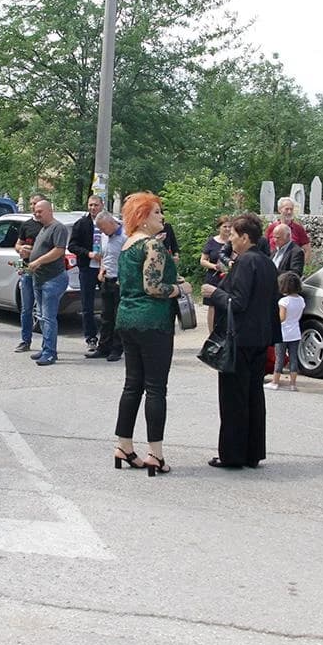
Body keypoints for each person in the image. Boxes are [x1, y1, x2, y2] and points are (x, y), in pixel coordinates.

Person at [112, 192, 189, 475]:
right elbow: (153, 287)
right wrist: (180, 289)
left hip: (127, 318)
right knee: (156, 388)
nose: (162, 217)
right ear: (142, 217)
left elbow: (128, 281)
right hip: (153, 322)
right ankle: (155, 454)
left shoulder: (126, 245)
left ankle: (124, 446)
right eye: (157, 213)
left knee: (132, 385)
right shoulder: (152, 245)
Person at [203, 213, 281, 470]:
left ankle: (233, 454)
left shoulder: (247, 262)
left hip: (241, 339)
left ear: (245, 237)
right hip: (260, 338)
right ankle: (252, 452)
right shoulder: (267, 262)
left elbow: (237, 302)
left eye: (234, 235)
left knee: (234, 398)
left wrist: (215, 294)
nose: (230, 238)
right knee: (253, 396)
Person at [25, 198, 70, 366]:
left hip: (53, 278)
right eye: (35, 211)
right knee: (41, 316)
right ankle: (45, 347)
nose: (37, 214)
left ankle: (50, 353)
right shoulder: (43, 229)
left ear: (50, 211)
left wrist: (38, 261)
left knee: (48, 317)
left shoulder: (58, 228)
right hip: (39, 278)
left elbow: (58, 251)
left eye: (40, 211)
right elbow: (42, 249)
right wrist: (28, 252)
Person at [85, 210, 124, 361]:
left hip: (120, 281)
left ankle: (116, 349)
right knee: (106, 316)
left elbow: (129, 259)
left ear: (111, 223)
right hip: (106, 280)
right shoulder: (104, 236)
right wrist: (101, 269)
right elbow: (104, 255)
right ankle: (103, 347)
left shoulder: (125, 236)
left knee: (117, 317)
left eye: (103, 228)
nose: (102, 232)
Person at [68, 195, 104, 350]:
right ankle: (90, 337)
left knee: (109, 304)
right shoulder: (82, 224)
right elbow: (72, 246)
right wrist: (88, 253)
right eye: (90, 205)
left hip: (105, 268)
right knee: (87, 305)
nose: (92, 208)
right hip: (88, 268)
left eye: (95, 205)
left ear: (102, 205)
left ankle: (109, 338)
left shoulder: (109, 223)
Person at [12, 194, 46, 353]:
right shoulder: (26, 225)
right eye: (32, 204)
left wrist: (32, 250)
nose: (33, 207)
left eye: (36, 204)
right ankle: (25, 340)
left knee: (42, 310)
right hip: (27, 270)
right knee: (26, 308)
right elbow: (17, 244)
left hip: (44, 272)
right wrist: (21, 249)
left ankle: (47, 344)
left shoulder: (49, 226)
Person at [270, 271, 304, 391]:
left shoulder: (283, 301)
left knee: (279, 358)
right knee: (293, 358)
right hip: (295, 332)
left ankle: (275, 381)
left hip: (283, 333)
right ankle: (293, 384)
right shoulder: (301, 300)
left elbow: (282, 318)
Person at [199, 216, 232, 334]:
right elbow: (202, 260)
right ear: (219, 228)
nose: (227, 229)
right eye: (225, 227)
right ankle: (212, 333)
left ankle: (226, 332)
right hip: (214, 277)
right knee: (212, 306)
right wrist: (213, 266)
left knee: (227, 304)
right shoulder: (212, 241)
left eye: (229, 226)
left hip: (229, 277)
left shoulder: (234, 241)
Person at [266, 197, 311, 262]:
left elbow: (307, 250)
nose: (289, 212)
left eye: (291, 209)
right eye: (286, 209)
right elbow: (264, 247)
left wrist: (301, 266)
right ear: (279, 209)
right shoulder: (272, 228)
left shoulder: (298, 229)